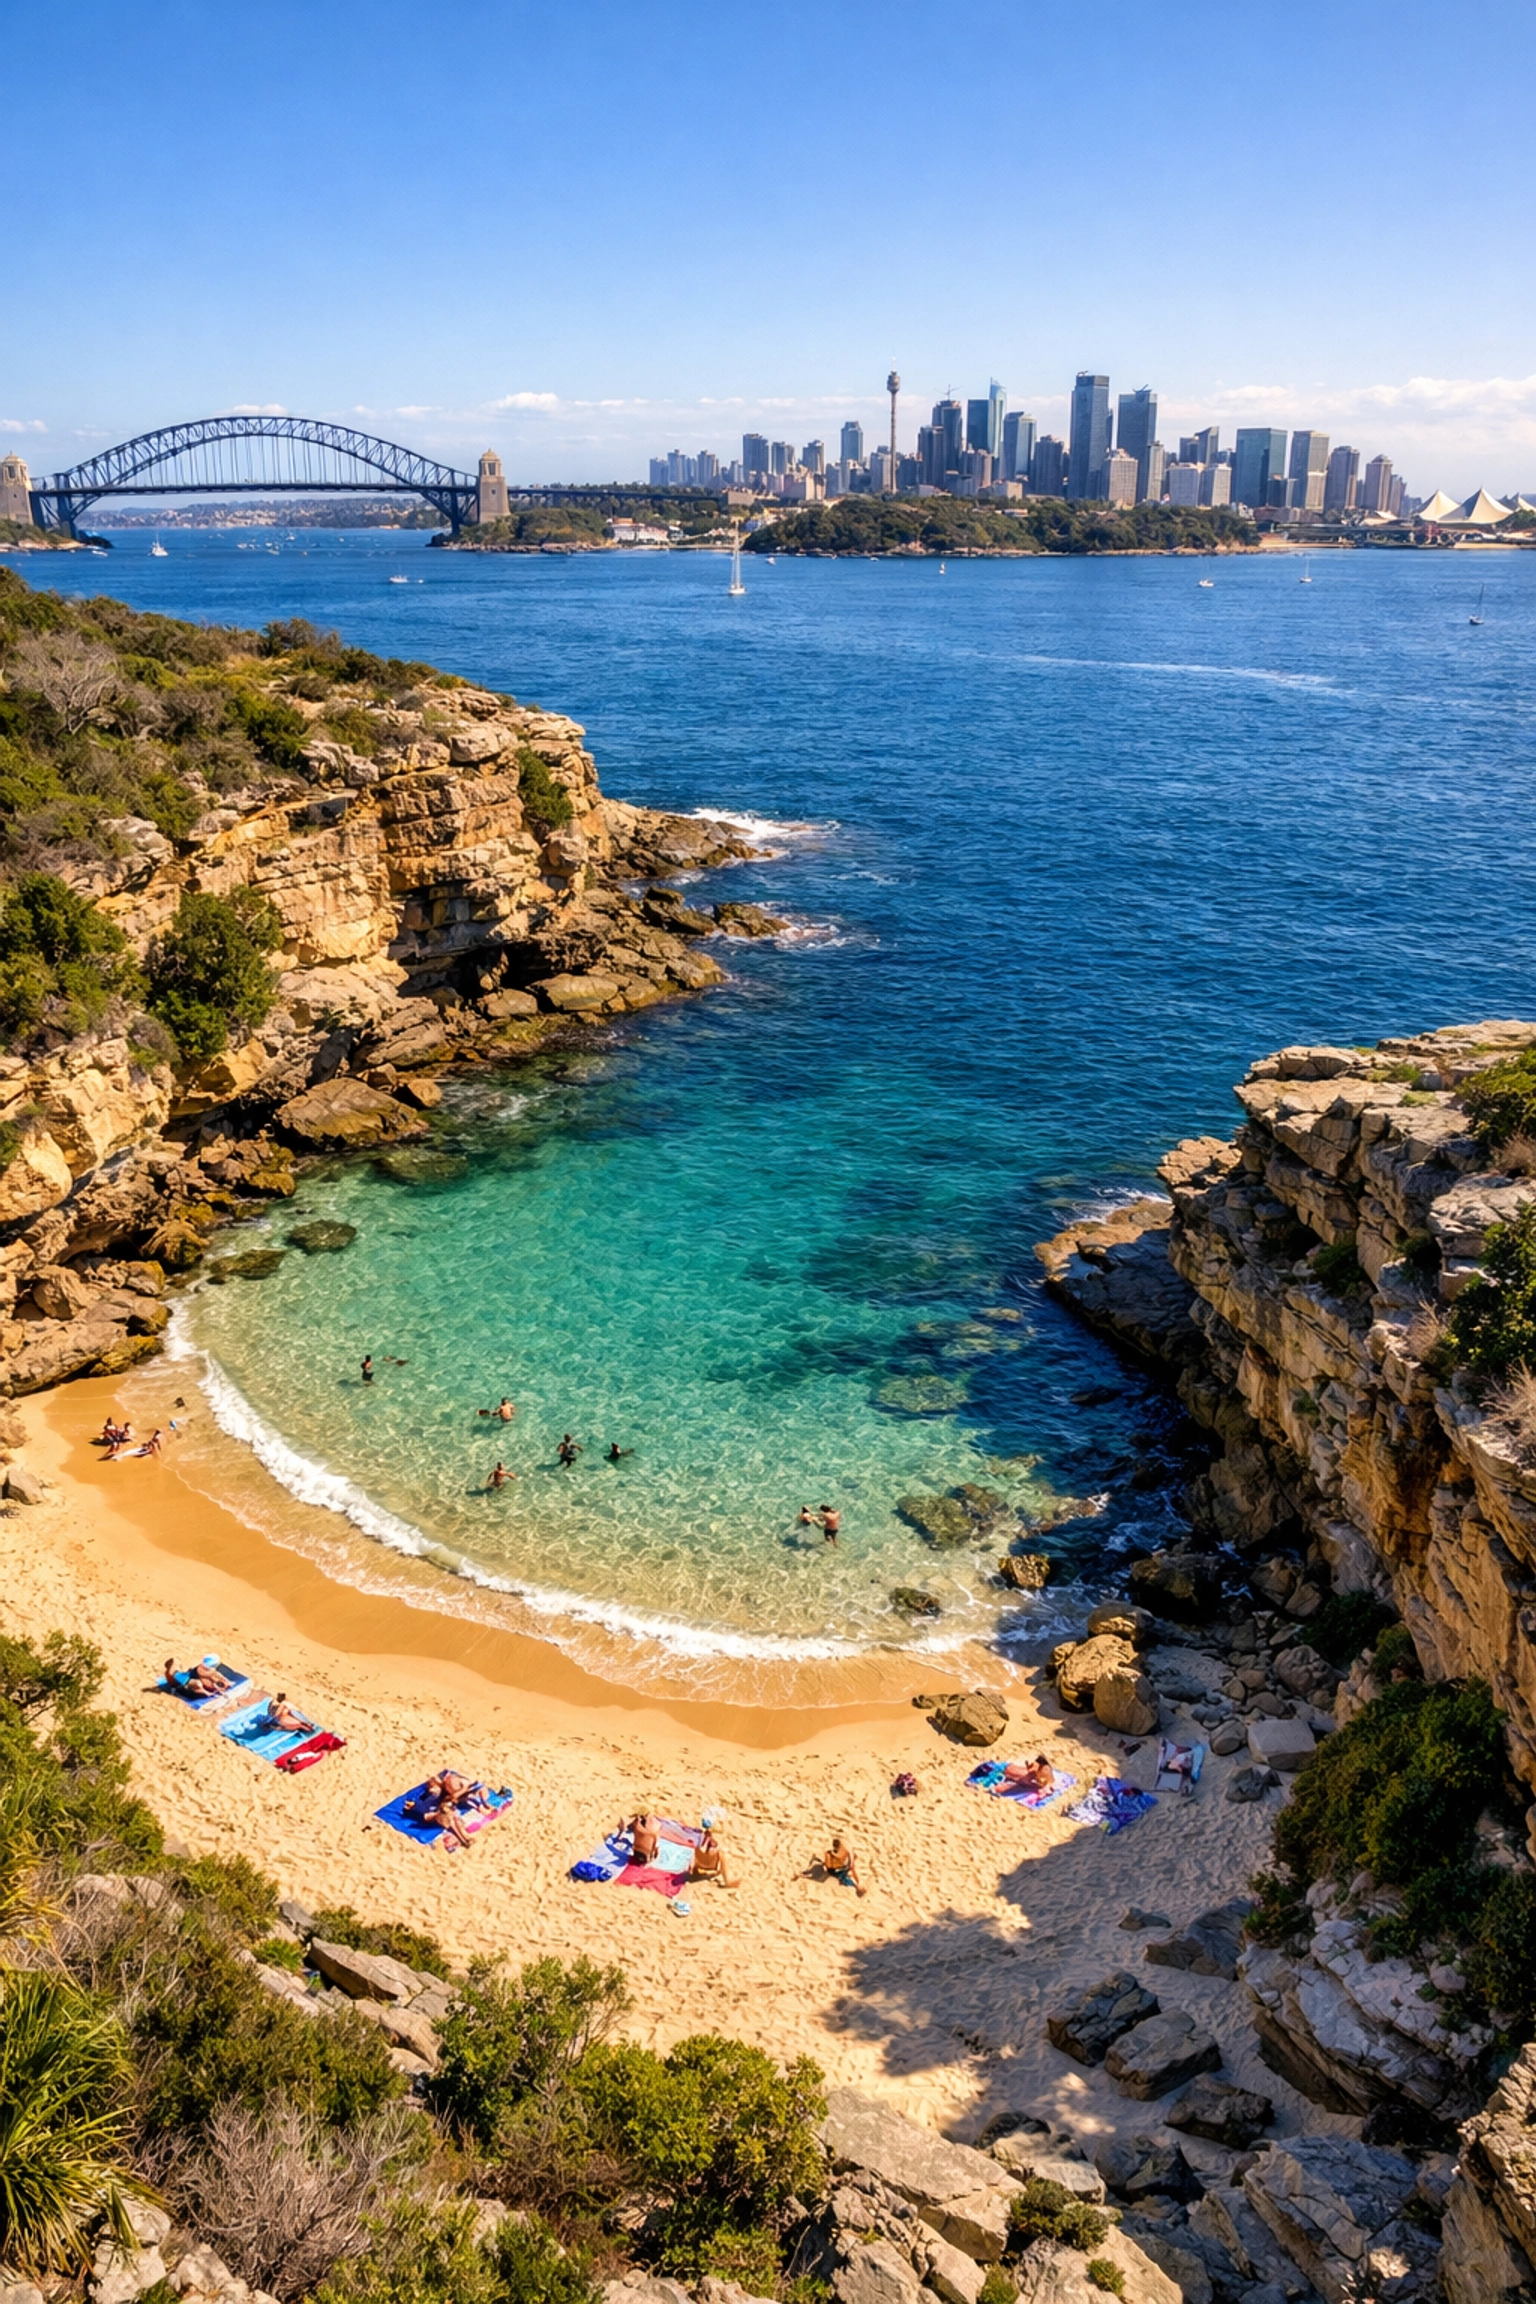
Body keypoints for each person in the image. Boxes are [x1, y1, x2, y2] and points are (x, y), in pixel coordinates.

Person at [167, 1657, 231, 1699]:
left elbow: (212, 1680)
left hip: (186, 1678)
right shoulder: (200, 1671)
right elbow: (207, 1680)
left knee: (205, 1681)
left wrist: (220, 1690)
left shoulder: (204, 1670)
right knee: (198, 1683)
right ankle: (207, 1693)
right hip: (183, 1683)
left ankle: (208, 1691)